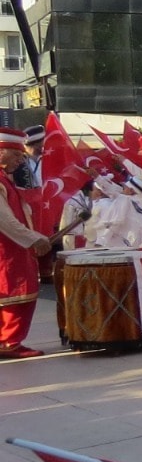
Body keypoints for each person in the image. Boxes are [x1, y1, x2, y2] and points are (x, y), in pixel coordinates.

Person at [0, 127, 49, 359]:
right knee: (15, 292)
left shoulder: (5, 180)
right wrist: (33, 239)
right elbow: (5, 221)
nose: (21, 161)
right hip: (7, 249)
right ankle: (8, 342)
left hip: (13, 247)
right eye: (18, 155)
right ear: (2, 153)